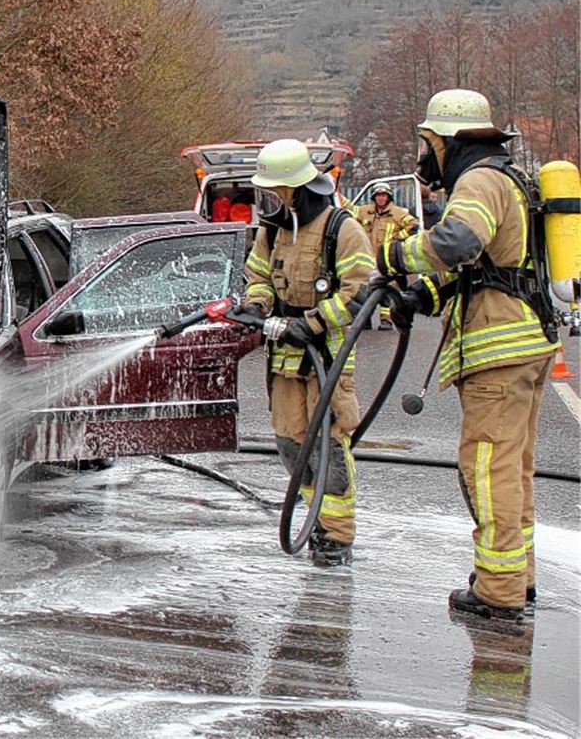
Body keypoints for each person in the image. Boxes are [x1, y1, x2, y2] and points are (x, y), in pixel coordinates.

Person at [378, 89, 560, 622]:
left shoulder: (478, 179)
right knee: (512, 467)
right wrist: (422, 294)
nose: (424, 156)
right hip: (527, 342)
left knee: (485, 467)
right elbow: (485, 269)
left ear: (448, 141)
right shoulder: (510, 179)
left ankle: (498, 590)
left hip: (498, 351)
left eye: (427, 144)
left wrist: (396, 256)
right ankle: (516, 577)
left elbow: (457, 243)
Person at [237, 138, 374, 566]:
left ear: (295, 188)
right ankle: (316, 518)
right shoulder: (272, 230)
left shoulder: (341, 229)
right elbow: (257, 275)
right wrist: (257, 305)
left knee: (328, 447)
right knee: (291, 444)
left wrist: (310, 323)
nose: (265, 201)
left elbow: (361, 292)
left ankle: (336, 535)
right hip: (285, 358)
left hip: (325, 358)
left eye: (271, 192)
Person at [348, 181, 419, 330]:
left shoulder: (398, 213)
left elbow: (413, 225)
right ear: (374, 197)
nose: (381, 198)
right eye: (378, 196)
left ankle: (386, 320)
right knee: (365, 289)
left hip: (386, 259)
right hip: (368, 257)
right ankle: (365, 320)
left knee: (386, 289)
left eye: (384, 196)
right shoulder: (365, 211)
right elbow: (348, 209)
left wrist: (398, 238)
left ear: (389, 197)